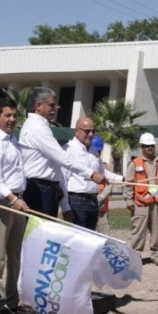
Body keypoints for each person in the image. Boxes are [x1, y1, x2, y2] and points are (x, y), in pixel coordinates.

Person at [0, 97, 34, 314]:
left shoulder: (13, 139)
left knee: (15, 254)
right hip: (0, 202)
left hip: (17, 201)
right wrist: (13, 199)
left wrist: (19, 198)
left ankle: (13, 301)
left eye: (14, 115)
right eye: (7, 115)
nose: (12, 119)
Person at [19, 87, 106, 218]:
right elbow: (61, 157)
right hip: (39, 188)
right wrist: (91, 173)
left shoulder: (42, 125)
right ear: (38, 106)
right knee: (40, 232)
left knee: (45, 231)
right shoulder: (36, 127)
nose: (54, 109)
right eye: (51, 105)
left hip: (46, 187)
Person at [63, 116, 123, 230]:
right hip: (76, 201)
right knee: (79, 239)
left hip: (93, 201)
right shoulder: (68, 149)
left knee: (90, 239)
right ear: (77, 131)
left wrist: (123, 179)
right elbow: (63, 181)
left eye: (93, 131)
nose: (90, 134)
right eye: (87, 131)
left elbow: (102, 172)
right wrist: (66, 208)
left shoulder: (93, 150)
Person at [124, 132, 158, 266]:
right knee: (138, 230)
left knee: (157, 231)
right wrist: (128, 199)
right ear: (142, 147)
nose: (150, 148)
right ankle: (135, 255)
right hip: (140, 203)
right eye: (147, 146)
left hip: (157, 202)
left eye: (151, 146)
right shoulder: (134, 164)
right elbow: (129, 183)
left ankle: (157, 255)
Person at [92, 135, 113, 235]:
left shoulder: (104, 166)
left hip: (102, 207)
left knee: (104, 234)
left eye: (99, 151)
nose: (98, 153)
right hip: (89, 204)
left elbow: (110, 184)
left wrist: (101, 197)